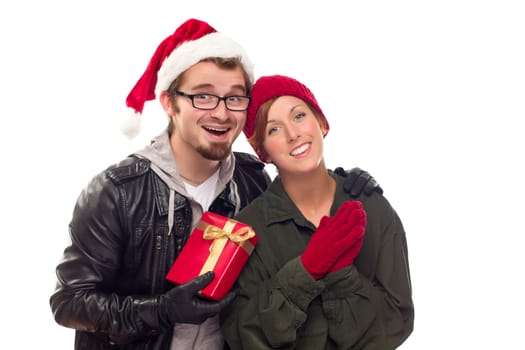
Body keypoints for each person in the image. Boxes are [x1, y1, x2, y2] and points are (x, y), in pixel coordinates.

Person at [49, 19, 382, 350]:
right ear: (169, 102)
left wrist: (341, 186)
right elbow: (69, 302)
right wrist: (160, 311)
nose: (222, 114)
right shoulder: (117, 192)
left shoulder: (253, 181)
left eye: (235, 98)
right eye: (203, 97)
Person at [221, 75, 414, 349]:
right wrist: (305, 272)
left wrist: (341, 276)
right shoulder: (246, 232)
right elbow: (244, 338)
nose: (292, 134)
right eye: (274, 129)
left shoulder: (373, 206)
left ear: (321, 122)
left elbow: (398, 321)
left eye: (299, 116)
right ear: (262, 151)